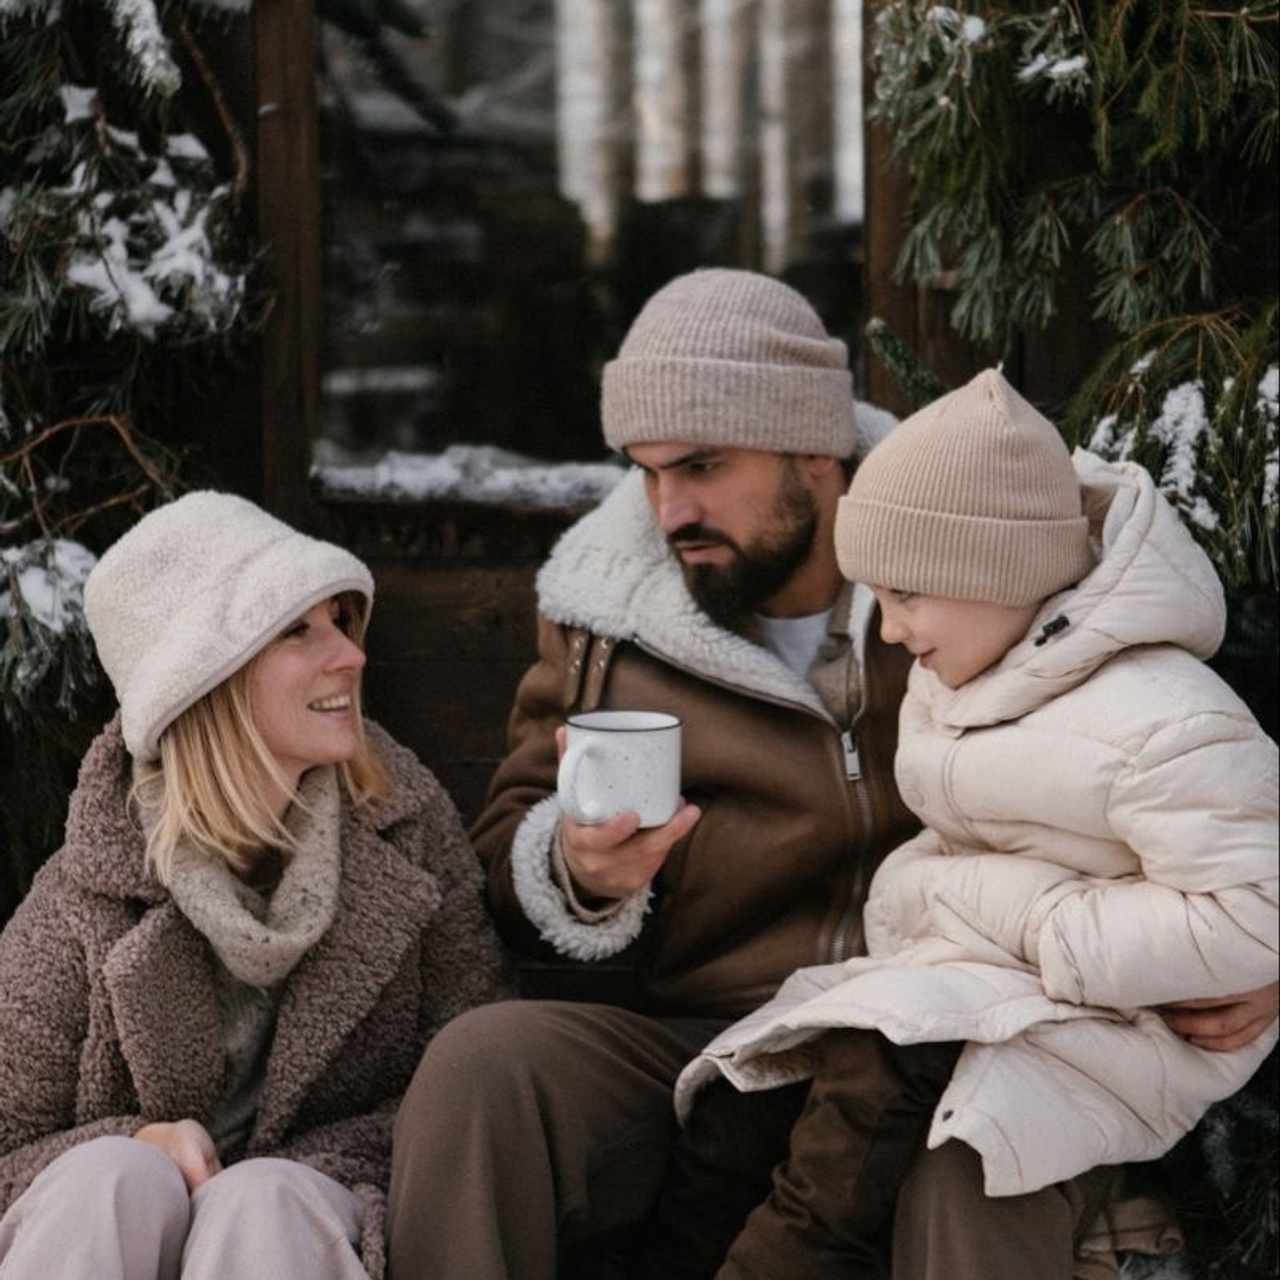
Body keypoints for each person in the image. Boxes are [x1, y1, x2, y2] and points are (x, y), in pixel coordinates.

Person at [385, 269, 1279, 1280]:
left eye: (702, 465)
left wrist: (1250, 959)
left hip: (959, 1033)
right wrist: (577, 870)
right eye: (643, 472)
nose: (666, 508)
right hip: (714, 1032)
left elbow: (1205, 807)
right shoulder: (606, 618)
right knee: (483, 1066)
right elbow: (506, 842)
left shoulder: (959, 563)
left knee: (970, 1159)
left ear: (811, 453)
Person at [652, 367, 1279, 1279]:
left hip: (1118, 1027)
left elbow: (1257, 914)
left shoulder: (1166, 720)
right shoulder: (966, 678)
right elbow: (953, 856)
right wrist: (954, 904)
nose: (892, 630)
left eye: (907, 595)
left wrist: (1025, 923)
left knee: (863, 1087)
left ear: (1001, 574)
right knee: (744, 1106)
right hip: (983, 991)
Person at [0, 491, 509, 1280]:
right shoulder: (84, 892)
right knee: (113, 1178)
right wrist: (144, 1142)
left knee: (264, 1203)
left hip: (310, 1224)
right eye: (299, 630)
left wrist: (299, 1173)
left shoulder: (407, 835)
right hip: (121, 1237)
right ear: (203, 676)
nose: (351, 655)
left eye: (341, 621)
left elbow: (469, 1086)